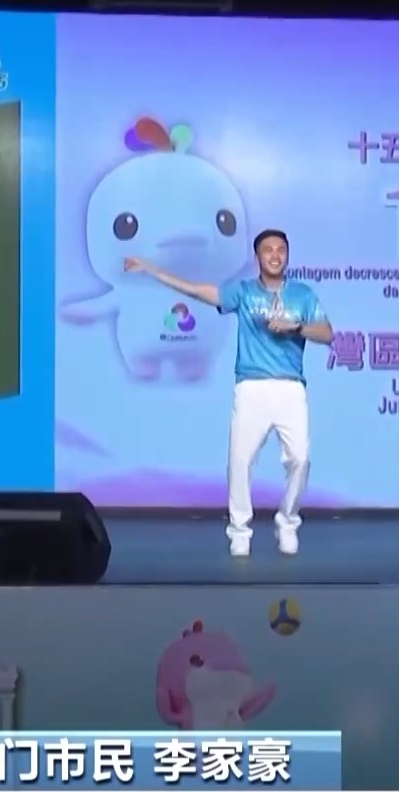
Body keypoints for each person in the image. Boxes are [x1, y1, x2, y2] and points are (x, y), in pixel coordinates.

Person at [128, 229, 333, 557]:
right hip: (251, 387)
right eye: (268, 250)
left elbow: (326, 333)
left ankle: (287, 521)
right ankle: (240, 531)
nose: (275, 255)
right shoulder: (244, 292)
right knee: (240, 461)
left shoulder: (302, 294)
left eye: (281, 249)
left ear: (287, 255)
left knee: (300, 459)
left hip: (290, 387)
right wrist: (152, 270)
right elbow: (197, 291)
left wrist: (294, 327)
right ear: (258, 257)